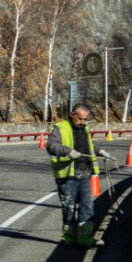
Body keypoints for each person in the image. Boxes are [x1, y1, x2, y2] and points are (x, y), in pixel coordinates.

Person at [46, 104, 111, 247]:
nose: (82, 122)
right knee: (69, 208)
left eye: (85, 119)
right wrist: (67, 151)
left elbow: (89, 145)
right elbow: (51, 146)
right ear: (72, 114)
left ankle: (85, 237)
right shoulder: (61, 128)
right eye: (80, 118)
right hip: (67, 176)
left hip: (85, 174)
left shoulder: (85, 128)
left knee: (87, 207)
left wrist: (100, 151)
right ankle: (68, 237)